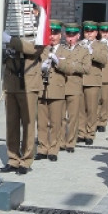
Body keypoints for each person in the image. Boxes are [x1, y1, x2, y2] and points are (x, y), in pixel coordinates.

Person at [0, 14, 44, 175]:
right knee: (11, 123)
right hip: (11, 82)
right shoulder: (10, 26)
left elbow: (33, 49)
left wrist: (10, 40)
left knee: (28, 123)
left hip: (29, 84)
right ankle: (13, 159)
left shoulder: (39, 29)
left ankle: (26, 160)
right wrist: (3, 46)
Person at [55, 22, 90, 152]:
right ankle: (61, 141)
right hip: (61, 85)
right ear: (65, 35)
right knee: (60, 116)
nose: (70, 37)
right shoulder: (60, 49)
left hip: (74, 86)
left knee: (73, 116)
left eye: (73, 35)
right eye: (68, 34)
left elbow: (87, 68)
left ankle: (70, 142)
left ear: (78, 36)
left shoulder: (84, 50)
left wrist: (72, 66)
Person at [35, 22, 66, 161]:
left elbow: (70, 68)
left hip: (57, 90)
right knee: (41, 122)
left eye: (55, 34)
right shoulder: (42, 50)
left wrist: (59, 62)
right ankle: (42, 148)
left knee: (55, 122)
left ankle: (53, 149)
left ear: (60, 35)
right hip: (42, 89)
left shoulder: (65, 50)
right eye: (50, 33)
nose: (52, 37)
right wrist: (41, 67)